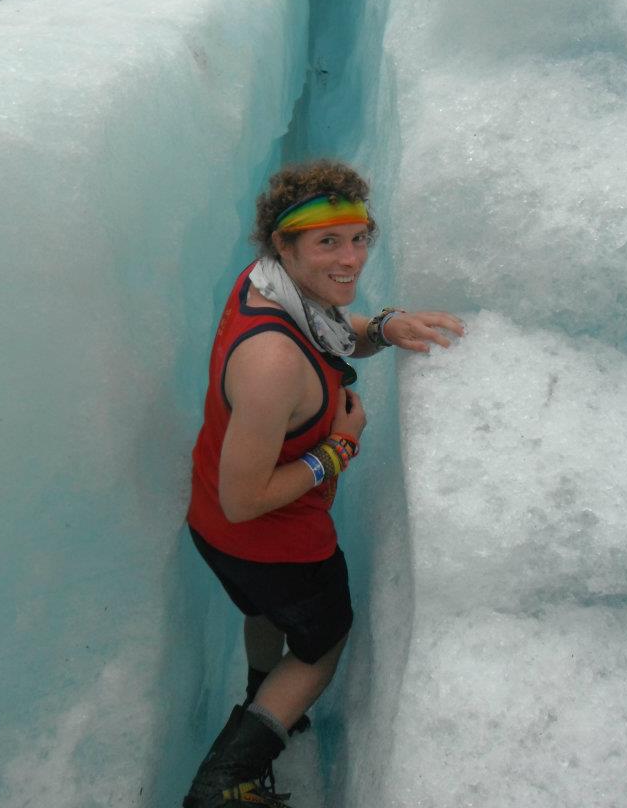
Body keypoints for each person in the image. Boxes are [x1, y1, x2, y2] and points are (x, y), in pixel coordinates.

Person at [183, 159, 464, 808]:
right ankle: (229, 779)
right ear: (284, 244)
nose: (352, 259)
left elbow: (334, 335)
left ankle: (261, 692)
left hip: (216, 532)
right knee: (320, 645)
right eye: (328, 242)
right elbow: (245, 497)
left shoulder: (267, 289)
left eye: (360, 236)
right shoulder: (272, 362)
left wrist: (386, 325)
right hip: (271, 539)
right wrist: (340, 447)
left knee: (262, 611)